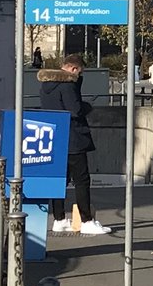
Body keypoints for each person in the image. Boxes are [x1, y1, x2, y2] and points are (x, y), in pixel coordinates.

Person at [40, 55, 112, 234]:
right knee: (82, 180)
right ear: (73, 69)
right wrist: (87, 106)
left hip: (55, 136)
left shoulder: (46, 86)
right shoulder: (68, 86)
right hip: (73, 137)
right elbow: (75, 109)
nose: (80, 76)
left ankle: (59, 219)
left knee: (59, 180)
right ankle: (86, 221)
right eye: (80, 72)